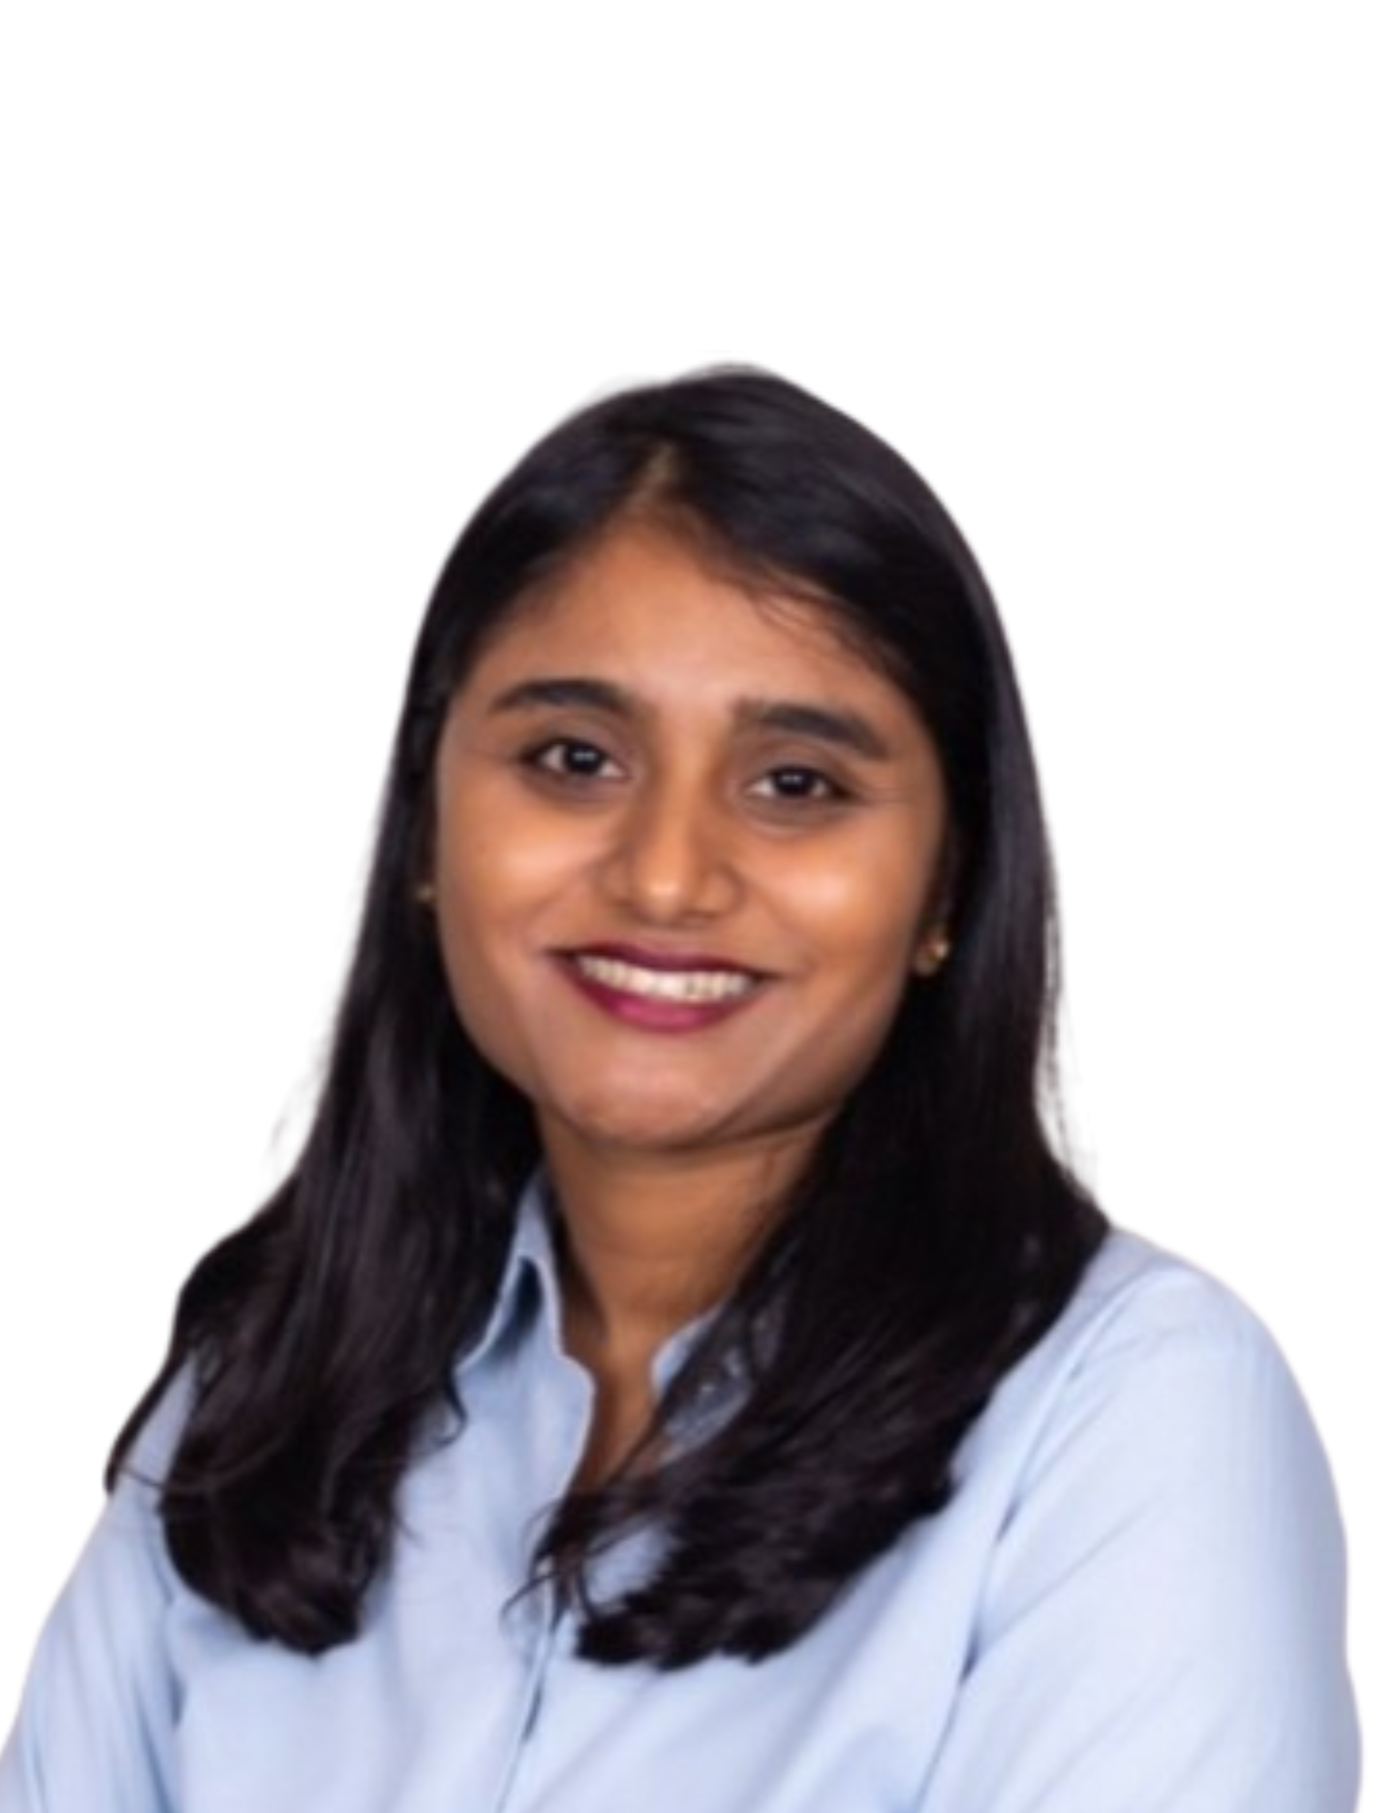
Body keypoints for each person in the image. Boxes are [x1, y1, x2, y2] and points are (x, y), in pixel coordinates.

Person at [0, 370, 1359, 1812]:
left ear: (947, 884)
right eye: (573, 759)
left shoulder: (1129, 1422)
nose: (664, 875)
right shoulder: (261, 1394)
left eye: (797, 784)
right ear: (427, 827)